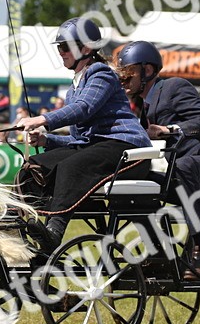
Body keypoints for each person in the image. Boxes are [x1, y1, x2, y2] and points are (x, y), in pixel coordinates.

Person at [14, 18, 149, 259]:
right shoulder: (74, 87)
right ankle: (26, 224)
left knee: (70, 166)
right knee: (35, 165)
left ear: (86, 49)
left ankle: (53, 234)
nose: (61, 53)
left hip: (127, 149)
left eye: (65, 47)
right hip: (101, 148)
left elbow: (84, 108)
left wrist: (42, 120)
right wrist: (47, 141)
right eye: (59, 48)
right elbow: (81, 142)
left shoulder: (101, 73)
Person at [116, 39, 200, 280]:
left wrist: (170, 130)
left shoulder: (174, 87)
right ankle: (159, 254)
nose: (123, 80)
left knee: (183, 166)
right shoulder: (145, 105)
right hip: (189, 178)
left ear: (148, 70)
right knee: (136, 183)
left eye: (128, 73)